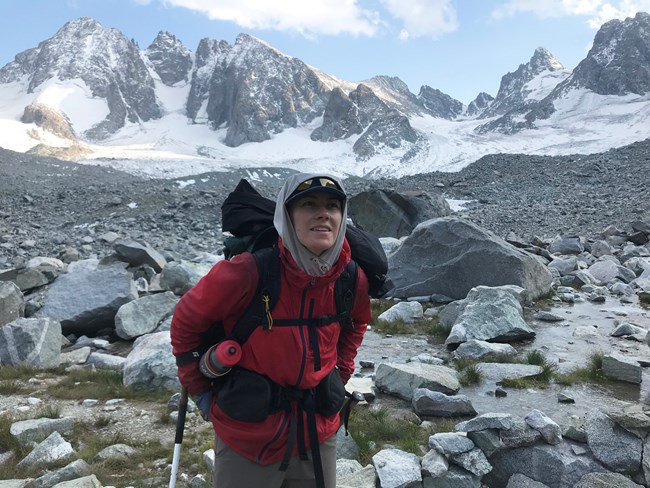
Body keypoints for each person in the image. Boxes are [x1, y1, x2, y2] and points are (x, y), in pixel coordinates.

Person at [170, 173, 371, 488]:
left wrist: (341, 371)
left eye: (333, 206)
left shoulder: (349, 277)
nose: (324, 213)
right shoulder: (247, 272)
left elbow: (356, 322)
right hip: (248, 437)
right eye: (309, 204)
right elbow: (185, 321)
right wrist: (202, 393)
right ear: (286, 217)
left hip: (317, 432)